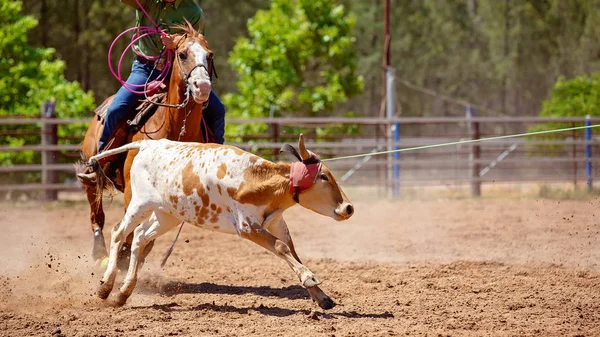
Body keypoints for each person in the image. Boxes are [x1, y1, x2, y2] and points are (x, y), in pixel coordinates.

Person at [78, 0, 225, 183]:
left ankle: (216, 165)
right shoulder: (147, 2)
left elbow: (197, 42)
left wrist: (175, 42)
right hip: (145, 69)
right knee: (118, 107)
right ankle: (100, 163)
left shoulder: (193, 11)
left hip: (179, 70)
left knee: (218, 111)